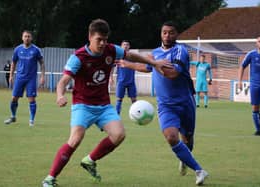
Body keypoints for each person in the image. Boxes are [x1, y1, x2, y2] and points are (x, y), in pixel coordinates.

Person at [42, 19, 169, 187]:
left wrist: (153, 63)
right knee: (75, 139)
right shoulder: (78, 57)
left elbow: (130, 55)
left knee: (119, 135)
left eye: (105, 39)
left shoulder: (111, 50)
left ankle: (90, 160)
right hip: (82, 105)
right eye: (98, 40)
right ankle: (50, 179)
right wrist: (60, 95)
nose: (102, 43)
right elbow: (63, 81)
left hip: (103, 105)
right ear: (90, 37)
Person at [116, 21, 208, 185]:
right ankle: (199, 170)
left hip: (185, 102)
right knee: (172, 137)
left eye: (171, 32)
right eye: (164, 32)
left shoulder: (181, 51)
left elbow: (172, 74)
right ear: (161, 34)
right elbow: (147, 67)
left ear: (176, 34)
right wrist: (127, 64)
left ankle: (185, 158)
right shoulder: (155, 53)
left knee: (187, 139)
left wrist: (154, 63)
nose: (167, 35)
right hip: (165, 105)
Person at [4, 30, 45, 127]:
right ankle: (13, 116)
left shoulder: (36, 50)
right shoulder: (17, 49)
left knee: (31, 99)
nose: (27, 38)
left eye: (29, 36)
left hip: (31, 78)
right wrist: (11, 76)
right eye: (25, 36)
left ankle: (31, 120)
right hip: (19, 78)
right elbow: (13, 63)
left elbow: (42, 63)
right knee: (14, 98)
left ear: (31, 38)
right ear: (22, 38)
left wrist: (43, 76)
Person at [111, 40, 137, 114]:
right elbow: (112, 67)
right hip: (121, 82)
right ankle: (117, 115)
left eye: (127, 45)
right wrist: (111, 78)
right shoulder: (119, 57)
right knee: (119, 99)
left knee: (134, 100)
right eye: (124, 45)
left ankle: (137, 114)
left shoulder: (132, 57)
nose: (126, 46)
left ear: (129, 47)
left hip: (131, 82)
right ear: (121, 46)